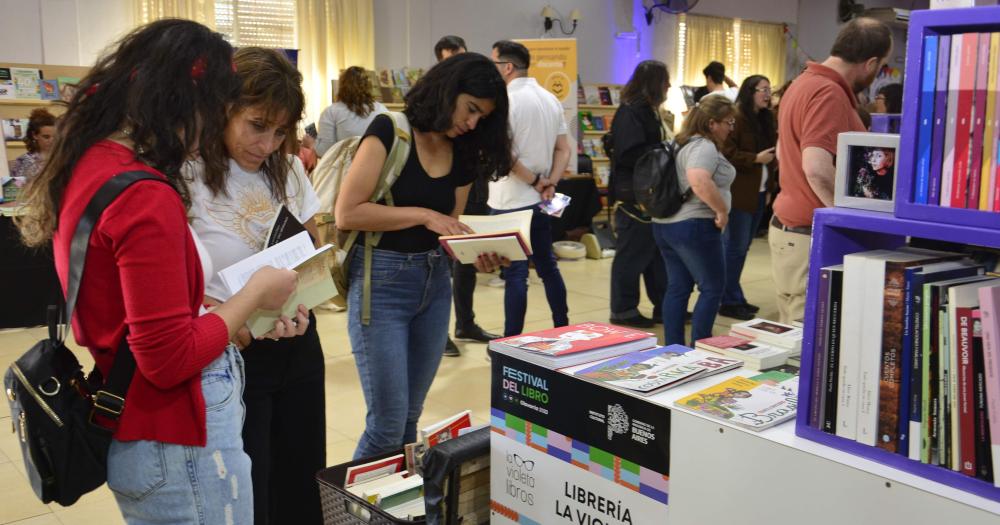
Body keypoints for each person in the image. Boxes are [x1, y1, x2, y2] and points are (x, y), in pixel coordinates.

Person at [15, 19, 299, 524]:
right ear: (182, 104)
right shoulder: (145, 193)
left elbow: (139, 310)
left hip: (144, 425)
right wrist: (254, 294)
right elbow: (167, 359)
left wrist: (211, 311)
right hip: (179, 435)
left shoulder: (93, 163)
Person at [335, 52, 512, 458]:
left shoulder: (464, 150)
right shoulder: (390, 131)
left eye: (481, 118)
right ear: (448, 89)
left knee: (410, 418)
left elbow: (450, 229)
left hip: (434, 285)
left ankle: (396, 511)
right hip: (381, 284)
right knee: (386, 425)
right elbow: (349, 212)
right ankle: (357, 516)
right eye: (470, 109)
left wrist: (478, 254)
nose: (471, 123)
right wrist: (423, 214)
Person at [185, 47, 323, 525]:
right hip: (230, 350)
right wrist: (242, 325)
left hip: (298, 338)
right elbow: (179, 287)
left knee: (302, 480)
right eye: (257, 124)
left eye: (281, 131)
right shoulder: (184, 175)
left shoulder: (288, 170)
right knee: (248, 489)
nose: (267, 143)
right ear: (222, 106)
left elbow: (312, 248)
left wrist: (306, 295)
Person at [770, 17, 891, 323]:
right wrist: (849, 218)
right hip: (808, 235)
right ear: (871, 62)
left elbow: (788, 157)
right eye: (881, 67)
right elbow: (816, 168)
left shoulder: (803, 84)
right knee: (808, 343)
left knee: (798, 335)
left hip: (794, 232)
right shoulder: (828, 92)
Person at [489, 40, 571, 337]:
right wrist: (551, 182)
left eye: (493, 63)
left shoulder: (505, 101)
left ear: (507, 67)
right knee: (548, 265)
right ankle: (563, 328)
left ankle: (511, 341)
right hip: (543, 198)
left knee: (515, 273)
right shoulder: (550, 99)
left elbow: (503, 155)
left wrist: (536, 181)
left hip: (511, 198)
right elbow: (564, 149)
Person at [432, 35, 499, 356]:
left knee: (467, 259)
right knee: (442, 263)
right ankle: (439, 329)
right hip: (444, 198)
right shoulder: (434, 116)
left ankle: (466, 322)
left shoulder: (474, 117)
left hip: (474, 189)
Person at [652, 95, 737, 346]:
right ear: (712, 123)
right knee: (711, 288)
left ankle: (674, 348)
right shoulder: (703, 147)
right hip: (695, 225)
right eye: (728, 122)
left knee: (678, 287)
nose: (731, 128)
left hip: (667, 225)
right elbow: (699, 180)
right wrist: (721, 211)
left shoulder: (679, 142)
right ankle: (700, 347)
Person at [607, 60, 671, 328]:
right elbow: (629, 153)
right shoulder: (633, 112)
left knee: (655, 255)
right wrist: (662, 151)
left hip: (648, 193)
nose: (669, 86)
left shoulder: (649, 111)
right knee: (632, 254)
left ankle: (663, 305)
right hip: (634, 194)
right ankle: (623, 309)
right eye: (666, 81)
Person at [719, 75, 778, 321]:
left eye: (769, 90)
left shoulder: (766, 119)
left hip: (760, 191)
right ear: (749, 91)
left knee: (743, 248)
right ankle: (729, 299)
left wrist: (770, 189)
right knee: (735, 248)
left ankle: (735, 295)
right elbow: (727, 153)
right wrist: (754, 159)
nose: (767, 94)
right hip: (740, 191)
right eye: (762, 90)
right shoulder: (737, 118)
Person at [314, 66, 388, 157]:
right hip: (378, 167)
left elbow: (325, 151)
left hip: (345, 169)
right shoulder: (382, 110)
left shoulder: (331, 112)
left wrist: (311, 144)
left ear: (341, 86)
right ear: (369, 86)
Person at [11, 108, 56, 180]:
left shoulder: (62, 159)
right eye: (46, 137)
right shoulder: (23, 161)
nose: (52, 141)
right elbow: (14, 188)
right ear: (34, 135)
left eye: (55, 136)